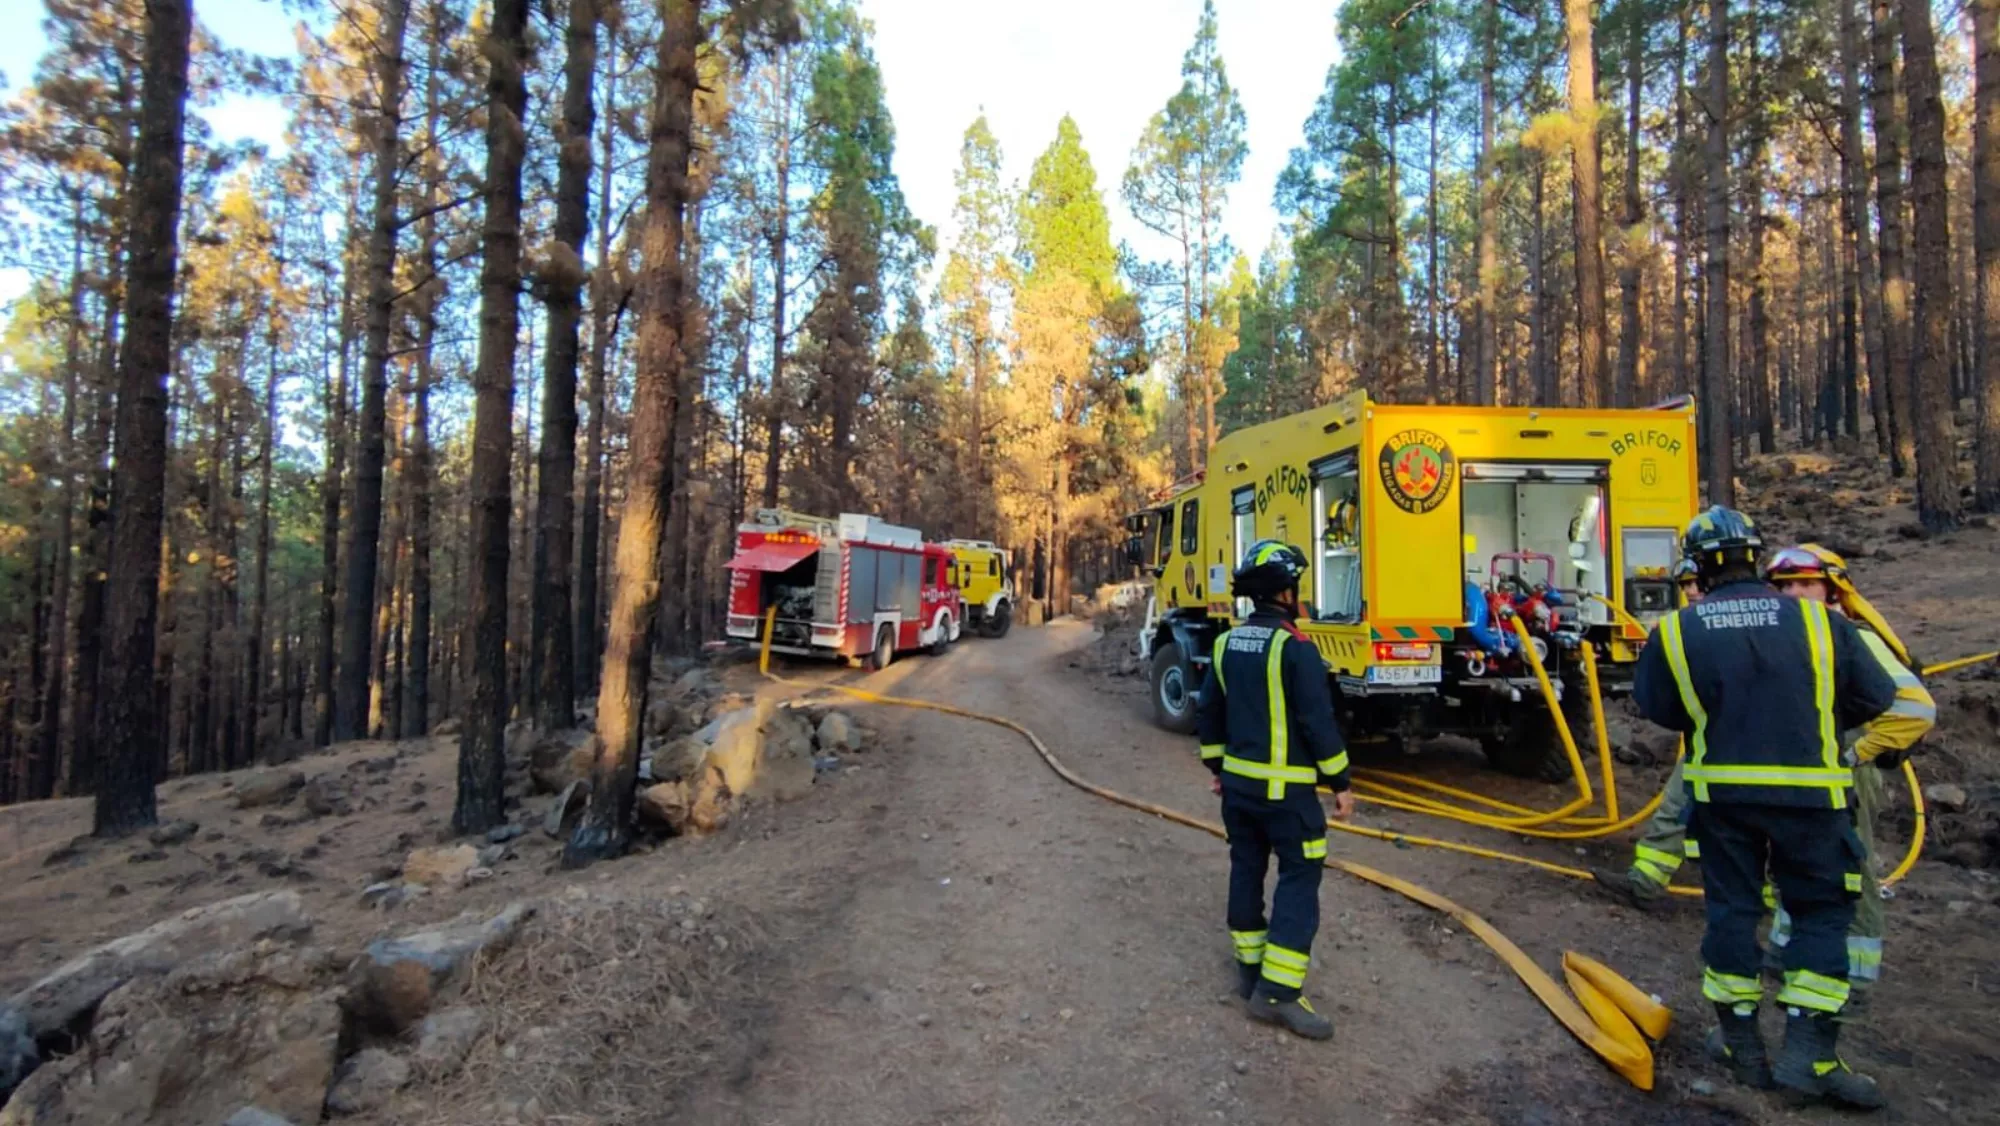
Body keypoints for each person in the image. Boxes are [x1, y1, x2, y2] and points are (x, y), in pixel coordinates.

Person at [1633, 508, 1898, 1109]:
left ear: (1697, 565)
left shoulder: (1678, 630)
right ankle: (1810, 1056)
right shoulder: (1820, 623)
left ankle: (1741, 1048)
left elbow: (1659, 708)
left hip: (1722, 801)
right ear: (1756, 557)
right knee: (1821, 917)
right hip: (1814, 801)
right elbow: (1875, 698)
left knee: (1731, 914)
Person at [1760, 544, 1935, 1019]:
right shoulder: (1799, 636)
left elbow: (1917, 710)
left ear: (1832, 589)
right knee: (1796, 860)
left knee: (1850, 869)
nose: (1793, 594)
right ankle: (1783, 951)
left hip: (1849, 771)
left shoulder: (1855, 637)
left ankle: (1855, 976)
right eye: (1784, 586)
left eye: (1804, 584)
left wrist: (1855, 754)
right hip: (1810, 770)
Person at [1194, 540, 1355, 1041]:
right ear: (1285, 592)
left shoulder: (1224, 645)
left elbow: (1209, 714)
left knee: (1246, 868)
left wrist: (1218, 767)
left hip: (1238, 793)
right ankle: (1278, 994)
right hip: (1288, 799)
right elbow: (1318, 722)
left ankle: (1249, 972)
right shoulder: (1295, 648)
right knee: (1299, 878)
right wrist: (1341, 783)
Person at [1589, 558, 1704, 908]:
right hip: (1714, 743)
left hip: (1727, 746)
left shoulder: (1688, 629)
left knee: (1692, 809)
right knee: (1676, 807)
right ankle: (1645, 882)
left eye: (1696, 584)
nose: (1690, 592)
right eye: (1684, 586)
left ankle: (1764, 902)